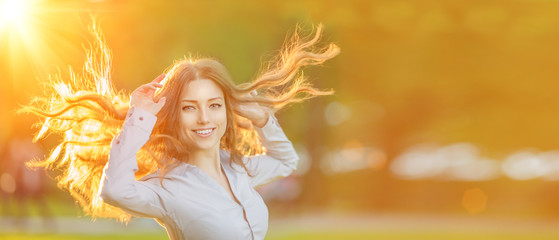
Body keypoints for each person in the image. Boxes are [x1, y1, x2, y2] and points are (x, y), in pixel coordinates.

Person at [21, 21, 339, 240]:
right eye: (189, 107)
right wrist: (139, 118)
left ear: (227, 112)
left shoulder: (239, 168)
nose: (204, 118)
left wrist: (261, 119)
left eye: (214, 105)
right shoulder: (167, 187)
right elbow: (114, 191)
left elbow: (285, 161)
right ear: (174, 116)